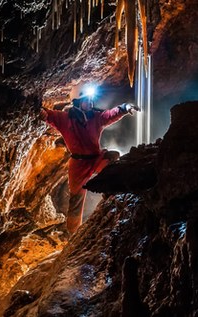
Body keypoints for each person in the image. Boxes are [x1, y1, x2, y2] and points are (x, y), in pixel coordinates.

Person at [40, 93, 139, 234]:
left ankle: (113, 201)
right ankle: (73, 234)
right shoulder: (66, 119)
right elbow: (49, 116)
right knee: (76, 200)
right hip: (78, 163)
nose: (91, 103)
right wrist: (42, 113)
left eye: (91, 100)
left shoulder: (96, 117)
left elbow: (110, 115)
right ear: (78, 103)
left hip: (96, 159)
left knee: (114, 157)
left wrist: (123, 108)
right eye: (87, 101)